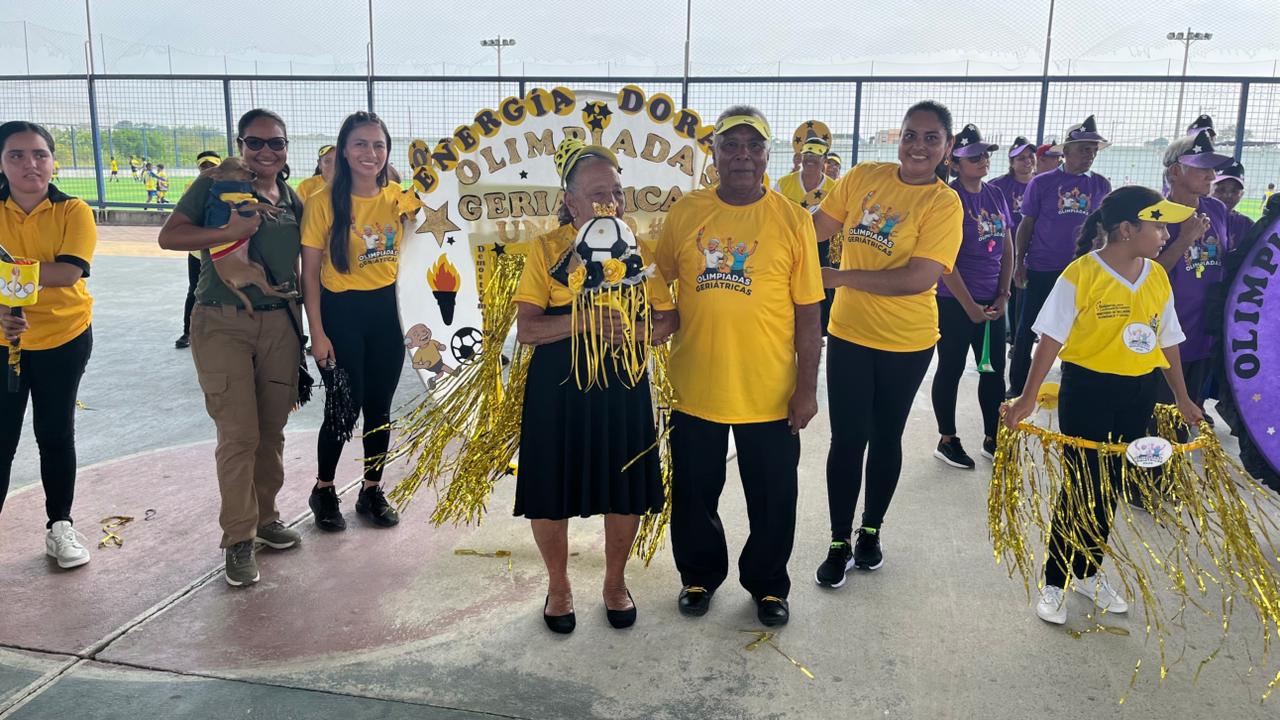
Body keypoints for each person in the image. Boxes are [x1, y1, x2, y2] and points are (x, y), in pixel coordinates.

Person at [1002, 185, 1204, 625]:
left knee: (1110, 485)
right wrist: (1027, 397)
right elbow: (1050, 340)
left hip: (1139, 393)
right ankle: (1055, 580)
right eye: (1158, 226)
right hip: (1088, 390)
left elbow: (1168, 340)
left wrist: (1183, 397)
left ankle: (1088, 572)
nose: (1166, 234)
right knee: (1081, 484)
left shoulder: (1156, 275)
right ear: (1126, 229)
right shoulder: (1081, 273)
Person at [657, 105, 823, 627]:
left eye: (754, 146)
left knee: (773, 498)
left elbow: (809, 313)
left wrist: (807, 388)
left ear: (769, 155)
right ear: (713, 153)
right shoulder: (686, 213)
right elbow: (656, 280)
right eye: (730, 145)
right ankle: (699, 576)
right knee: (692, 493)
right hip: (695, 385)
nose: (742, 156)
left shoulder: (793, 219)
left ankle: (769, 585)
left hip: (770, 391)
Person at [513, 140, 677, 633]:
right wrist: (583, 321)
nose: (612, 203)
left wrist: (638, 333)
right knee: (550, 487)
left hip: (622, 381)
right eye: (598, 193)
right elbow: (527, 329)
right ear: (570, 201)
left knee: (624, 486)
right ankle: (559, 586)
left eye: (618, 192)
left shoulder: (638, 248)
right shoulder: (547, 249)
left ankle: (614, 583)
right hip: (557, 386)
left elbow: (668, 319)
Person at [810, 100, 963, 588]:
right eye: (910, 134)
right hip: (849, 334)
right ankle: (839, 540)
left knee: (885, 437)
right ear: (899, 137)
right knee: (846, 439)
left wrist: (838, 276)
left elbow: (919, 278)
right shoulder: (863, 177)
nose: (919, 146)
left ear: (947, 147)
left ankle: (870, 531)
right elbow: (817, 226)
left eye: (931, 138)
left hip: (907, 342)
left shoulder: (944, 203)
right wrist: (764, 221)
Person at [158, 109, 304, 587]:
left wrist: (304, 329)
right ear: (240, 145)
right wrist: (227, 234)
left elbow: (297, 266)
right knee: (239, 434)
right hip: (221, 321)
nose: (265, 151)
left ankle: (266, 518)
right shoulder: (214, 186)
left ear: (286, 149)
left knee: (272, 430)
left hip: (279, 323)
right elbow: (170, 236)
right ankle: (239, 538)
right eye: (254, 142)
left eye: (275, 143)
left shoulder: (292, 199)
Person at [0, 121, 97, 570]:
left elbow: (68, 272)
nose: (30, 164)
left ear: (53, 161)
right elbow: (48, 271)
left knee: (54, 434)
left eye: (40, 154)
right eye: (16, 155)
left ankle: (60, 525)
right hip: (5, 340)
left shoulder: (73, 211)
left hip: (64, 336)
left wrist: (10, 279)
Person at [301, 111, 404, 533]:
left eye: (379, 145)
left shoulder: (400, 198)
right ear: (344, 150)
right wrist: (317, 333)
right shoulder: (322, 201)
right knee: (344, 406)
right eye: (361, 143)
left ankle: (371, 490)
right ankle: (324, 489)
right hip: (341, 312)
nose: (370, 153)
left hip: (388, 315)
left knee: (379, 407)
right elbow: (309, 273)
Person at [1009, 117, 1113, 399]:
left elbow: (1106, 229)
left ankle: (1072, 383)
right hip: (1042, 267)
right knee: (1027, 328)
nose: (1089, 155)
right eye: (1083, 149)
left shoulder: (1101, 185)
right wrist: (1019, 262)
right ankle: (1018, 387)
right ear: (1065, 152)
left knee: (1080, 329)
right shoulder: (1042, 183)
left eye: (1093, 150)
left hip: (1084, 271)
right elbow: (1027, 223)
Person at [930, 124, 1013, 469]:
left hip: (992, 302)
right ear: (954, 163)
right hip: (955, 301)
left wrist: (1004, 293)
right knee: (950, 367)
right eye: (974, 156)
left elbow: (1007, 245)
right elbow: (944, 261)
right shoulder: (948, 199)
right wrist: (970, 307)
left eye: (985, 155)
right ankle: (947, 439)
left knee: (993, 371)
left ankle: (993, 437)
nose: (983, 160)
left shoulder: (995, 194)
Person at [1154, 130, 1232, 413]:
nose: (1212, 176)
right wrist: (1184, 239)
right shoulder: (1154, 212)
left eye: (1213, 168)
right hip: (1166, 333)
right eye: (1203, 168)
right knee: (1159, 417)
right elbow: (1148, 274)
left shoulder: (1217, 209)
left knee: (1190, 412)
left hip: (1204, 333)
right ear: (1176, 171)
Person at [775, 136, 838, 336]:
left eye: (817, 155)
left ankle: (820, 331)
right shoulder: (784, 184)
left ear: (824, 160)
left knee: (820, 285)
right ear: (801, 156)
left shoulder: (834, 188)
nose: (811, 159)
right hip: (789, 245)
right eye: (807, 154)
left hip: (822, 245)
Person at [990, 136, 1036, 344]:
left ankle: (1021, 337)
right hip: (1004, 251)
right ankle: (1007, 335)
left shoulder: (1040, 183)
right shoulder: (998, 186)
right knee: (1005, 291)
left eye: (1030, 156)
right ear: (1011, 162)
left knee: (1025, 296)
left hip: (1033, 252)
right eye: (1021, 158)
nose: (1027, 161)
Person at [175, 151, 223, 350]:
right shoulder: (193, 186)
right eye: (204, 166)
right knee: (194, 290)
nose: (208, 169)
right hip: (198, 251)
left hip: (222, 248)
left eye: (212, 165)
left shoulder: (230, 185)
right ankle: (188, 331)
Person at [1212, 160, 1253, 247]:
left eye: (1234, 191)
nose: (1228, 195)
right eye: (1221, 189)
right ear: (1209, 190)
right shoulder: (1199, 219)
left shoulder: (1247, 225)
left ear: (1241, 194)